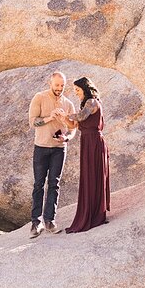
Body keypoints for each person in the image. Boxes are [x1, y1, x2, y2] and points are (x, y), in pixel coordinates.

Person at [56, 76, 110, 233]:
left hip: (94, 142)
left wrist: (66, 113)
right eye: (75, 90)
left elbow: (80, 117)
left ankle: (96, 215)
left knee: (94, 176)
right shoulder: (84, 104)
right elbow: (74, 124)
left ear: (85, 89)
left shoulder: (92, 102)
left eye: (78, 90)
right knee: (89, 177)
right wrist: (63, 118)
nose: (76, 93)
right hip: (86, 142)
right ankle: (92, 213)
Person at [27, 71, 77, 237]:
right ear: (50, 83)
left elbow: (73, 128)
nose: (59, 88)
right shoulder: (39, 98)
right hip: (41, 147)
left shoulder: (68, 104)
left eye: (62, 85)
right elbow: (33, 122)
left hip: (59, 149)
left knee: (54, 184)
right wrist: (50, 117)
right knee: (38, 184)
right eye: (57, 85)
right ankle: (36, 222)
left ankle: (50, 220)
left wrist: (67, 138)